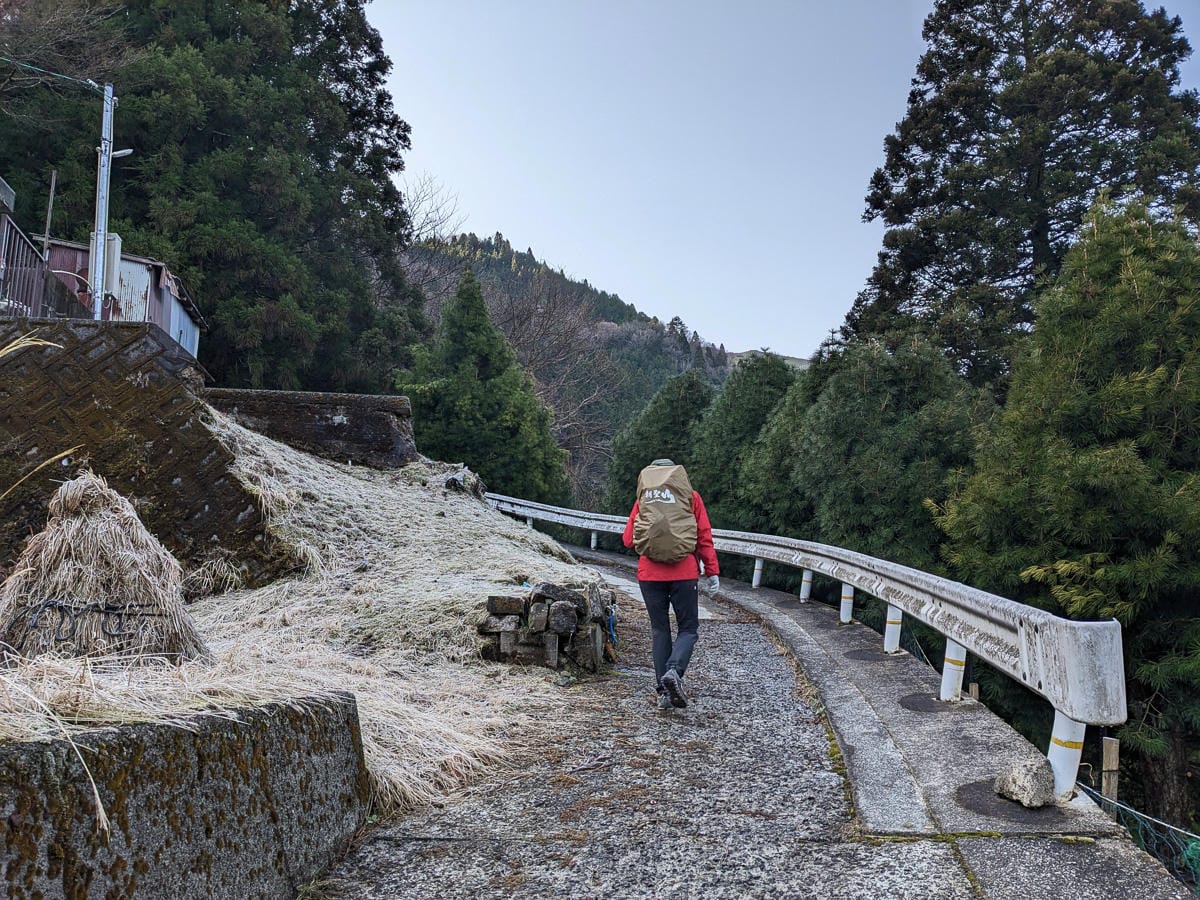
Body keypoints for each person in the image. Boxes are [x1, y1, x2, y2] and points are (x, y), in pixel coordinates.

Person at [622, 458, 719, 710]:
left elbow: (628, 540)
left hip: (650, 575)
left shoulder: (644, 498)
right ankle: (674, 673)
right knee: (688, 628)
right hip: (684, 573)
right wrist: (712, 571)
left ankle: (663, 694)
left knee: (659, 630)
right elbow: (703, 536)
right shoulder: (690, 496)